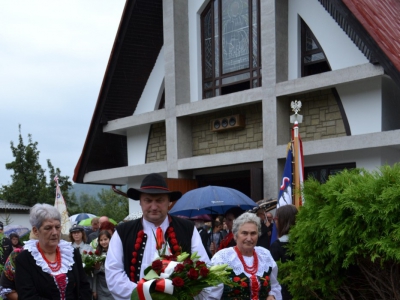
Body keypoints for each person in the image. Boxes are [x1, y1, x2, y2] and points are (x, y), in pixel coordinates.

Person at [105, 173, 221, 300]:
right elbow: (114, 273)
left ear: (169, 202)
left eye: (159, 200)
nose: (154, 207)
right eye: (148, 200)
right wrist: (145, 295)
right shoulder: (123, 231)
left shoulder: (187, 228)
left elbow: (204, 267)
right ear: (140, 202)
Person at [14, 203, 91, 299]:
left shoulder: (72, 253)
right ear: (35, 231)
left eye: (57, 227)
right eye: (48, 228)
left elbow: (84, 287)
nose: (55, 232)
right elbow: (27, 296)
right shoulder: (25, 259)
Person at [211, 212, 282, 299]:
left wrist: (272, 295)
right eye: (244, 233)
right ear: (235, 235)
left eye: (253, 233)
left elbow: (275, 286)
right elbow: (211, 295)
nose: (249, 238)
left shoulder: (264, 255)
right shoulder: (222, 258)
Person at [270, 205, 298, 300]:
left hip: (284, 291)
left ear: (283, 221)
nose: (275, 222)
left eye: (276, 219)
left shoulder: (277, 246)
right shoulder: (305, 242)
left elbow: (273, 275)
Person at [93, 230, 113, 300]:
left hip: (112, 283)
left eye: (105, 239)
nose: (103, 242)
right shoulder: (97, 253)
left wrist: (100, 269)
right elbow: (95, 273)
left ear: (110, 239)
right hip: (101, 285)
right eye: (101, 240)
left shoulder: (115, 253)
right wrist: (94, 289)